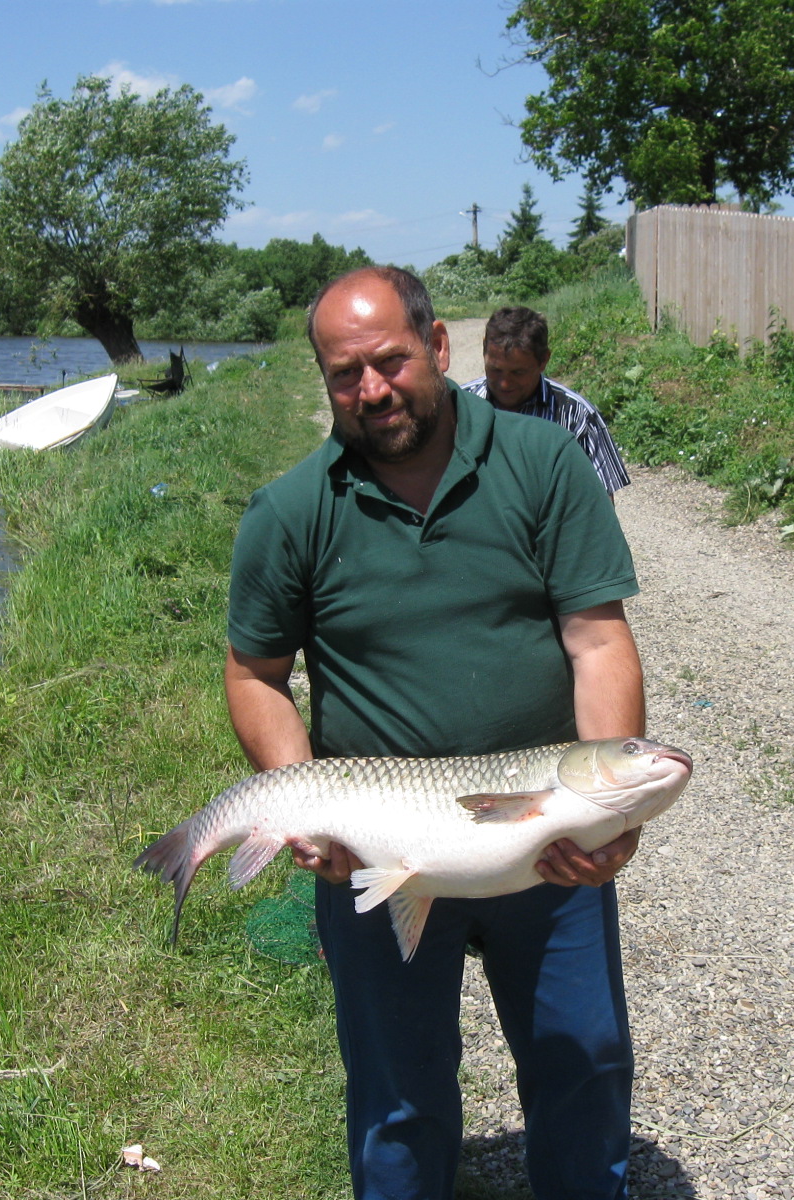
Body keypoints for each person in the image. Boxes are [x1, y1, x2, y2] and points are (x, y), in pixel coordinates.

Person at [224, 265, 649, 1200]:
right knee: (398, 1094)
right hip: (380, 850)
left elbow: (599, 643)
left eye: (390, 361)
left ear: (439, 347)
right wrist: (303, 805)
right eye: (345, 374)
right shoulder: (291, 511)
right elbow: (255, 677)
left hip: (542, 836)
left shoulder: (544, 463)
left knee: (583, 1065)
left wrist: (610, 819)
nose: (371, 389)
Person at [460, 305, 631, 496]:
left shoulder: (578, 416)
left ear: (543, 360)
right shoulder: (458, 408)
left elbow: (599, 504)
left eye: (518, 372)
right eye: (496, 370)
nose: (505, 383)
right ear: (484, 350)